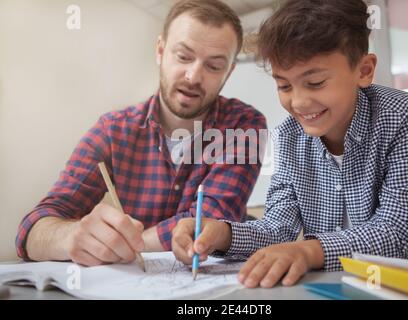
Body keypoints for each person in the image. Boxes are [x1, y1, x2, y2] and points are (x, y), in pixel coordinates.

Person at [172, 0, 408, 288]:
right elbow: (278, 228)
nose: (299, 102)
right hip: (350, 282)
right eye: (284, 85)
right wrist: (222, 234)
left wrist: (309, 250)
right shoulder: (289, 138)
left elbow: (395, 232)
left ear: (364, 71)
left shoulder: (403, 114)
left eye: (315, 82)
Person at [16, 0, 267, 266]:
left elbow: (211, 217)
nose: (193, 76)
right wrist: (69, 237)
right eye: (183, 56)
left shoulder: (245, 125)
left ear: (228, 72)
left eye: (214, 66)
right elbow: (33, 228)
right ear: (160, 51)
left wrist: (126, 246)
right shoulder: (113, 130)